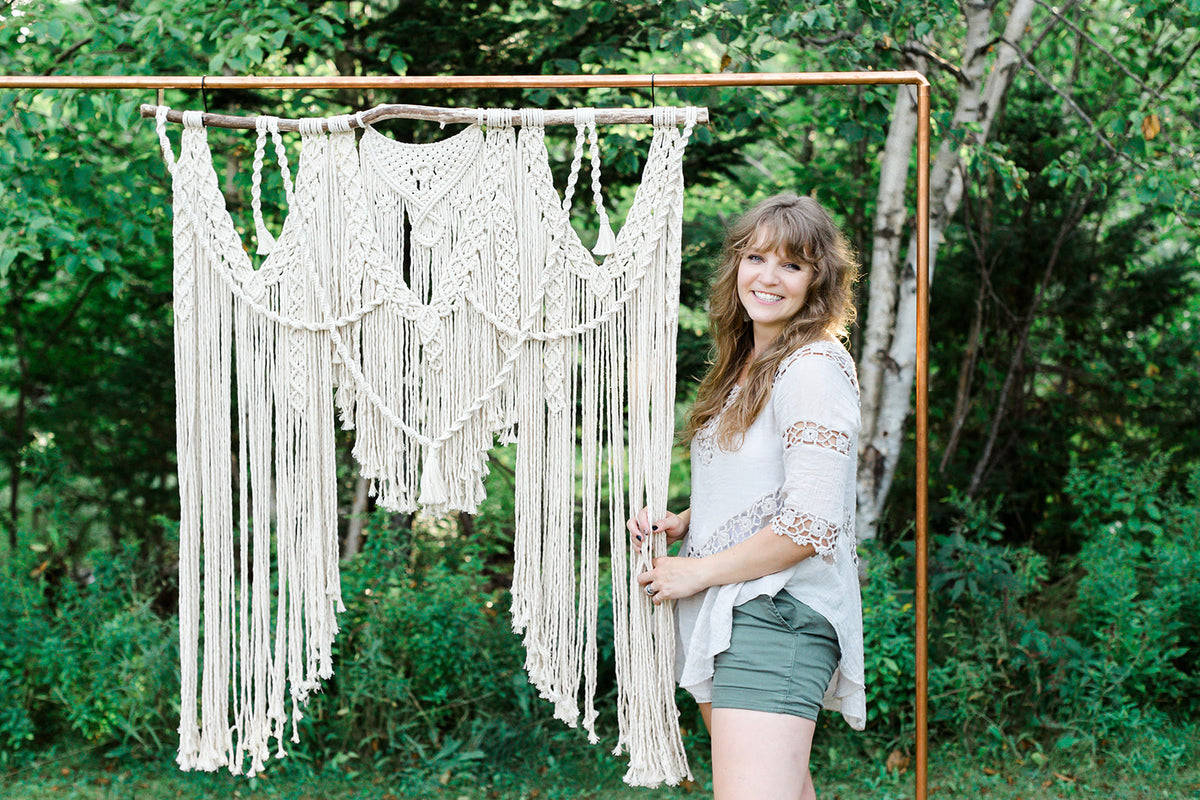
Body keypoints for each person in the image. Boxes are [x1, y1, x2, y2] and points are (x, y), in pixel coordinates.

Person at [628, 193, 865, 800]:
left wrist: (696, 572)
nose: (768, 276)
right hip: (736, 611)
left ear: (818, 282)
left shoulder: (812, 365)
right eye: (756, 257)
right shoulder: (750, 365)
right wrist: (687, 520)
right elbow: (762, 490)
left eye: (792, 264)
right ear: (736, 264)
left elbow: (808, 524)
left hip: (776, 613)